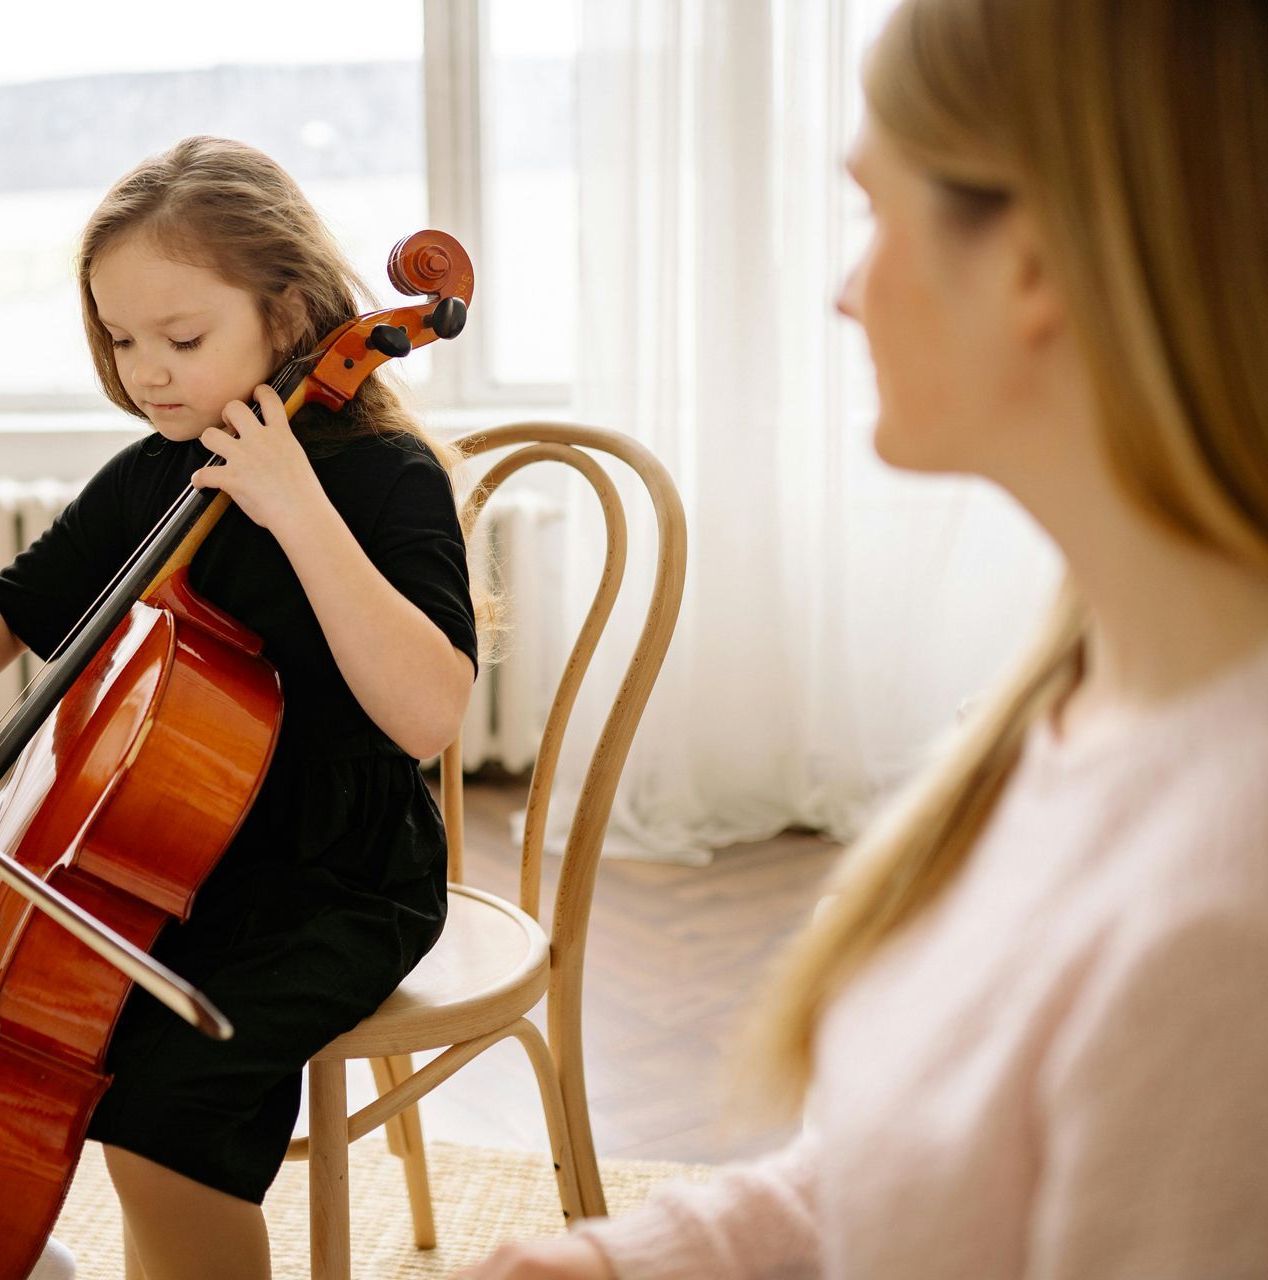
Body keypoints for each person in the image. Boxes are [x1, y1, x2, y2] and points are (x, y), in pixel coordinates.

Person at [456, 0, 1268, 1276]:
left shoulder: (1223, 927)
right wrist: (622, 1261)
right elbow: (934, 1172)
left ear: (1036, 262)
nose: (845, 291)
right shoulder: (1067, 706)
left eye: (874, 215)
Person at [0, 135, 479, 1280]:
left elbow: (429, 712)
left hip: (330, 877)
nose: (149, 371)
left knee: (165, 1099)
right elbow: (7, 599)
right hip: (146, 858)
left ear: (289, 315)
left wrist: (297, 509)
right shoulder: (156, 470)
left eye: (182, 339)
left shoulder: (387, 476)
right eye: (121, 339)